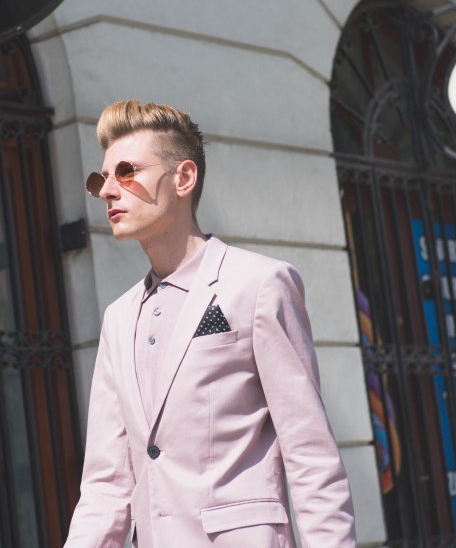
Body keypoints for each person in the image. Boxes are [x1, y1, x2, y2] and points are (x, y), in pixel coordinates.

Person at [64, 100, 356, 547]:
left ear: (183, 178)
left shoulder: (259, 284)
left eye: (126, 172)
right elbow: (107, 483)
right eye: (101, 179)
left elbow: (310, 455)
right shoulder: (118, 318)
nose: (107, 190)